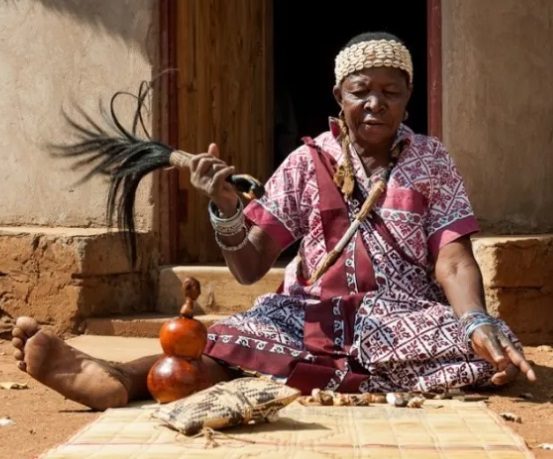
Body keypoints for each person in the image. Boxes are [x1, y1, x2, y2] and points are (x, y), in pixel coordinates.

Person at [11, 31, 535, 411]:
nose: (375, 103)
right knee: (241, 334)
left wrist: (475, 320)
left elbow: (453, 257)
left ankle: (142, 378)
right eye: (361, 90)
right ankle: (118, 379)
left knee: (491, 351)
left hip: (399, 320)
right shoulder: (307, 162)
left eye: (391, 91)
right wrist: (225, 208)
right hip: (305, 317)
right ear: (339, 96)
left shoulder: (432, 160)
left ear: (407, 98)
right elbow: (249, 265)